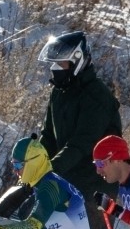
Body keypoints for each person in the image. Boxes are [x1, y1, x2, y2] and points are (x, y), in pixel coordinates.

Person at [35, 32, 122, 211]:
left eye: (61, 63)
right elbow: (48, 135)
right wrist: (34, 164)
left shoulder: (97, 96)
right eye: (53, 63)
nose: (55, 68)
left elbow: (82, 143)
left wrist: (50, 169)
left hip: (95, 184)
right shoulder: (59, 92)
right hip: (67, 178)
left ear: (77, 61)